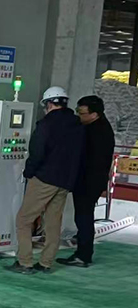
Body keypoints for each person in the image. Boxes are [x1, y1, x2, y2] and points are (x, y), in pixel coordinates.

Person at [9, 86, 84, 275]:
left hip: (44, 178)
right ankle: (45, 263)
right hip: (65, 181)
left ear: (49, 104)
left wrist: (28, 172)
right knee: (53, 222)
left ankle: (25, 262)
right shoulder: (78, 124)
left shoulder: (46, 124)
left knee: (23, 219)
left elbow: (37, 152)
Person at [57, 95, 115, 268]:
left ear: (94, 114)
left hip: (88, 182)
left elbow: (85, 159)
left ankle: (83, 255)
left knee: (83, 218)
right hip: (92, 181)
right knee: (84, 217)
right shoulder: (99, 127)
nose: (79, 116)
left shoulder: (96, 132)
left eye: (82, 113)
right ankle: (83, 253)